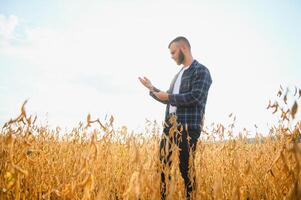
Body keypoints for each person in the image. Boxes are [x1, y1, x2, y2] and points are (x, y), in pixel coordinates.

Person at [139, 36, 212, 200]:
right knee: (163, 167)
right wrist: (151, 88)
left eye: (173, 52)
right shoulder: (178, 75)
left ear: (183, 48)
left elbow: (196, 97)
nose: (171, 56)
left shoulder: (201, 71)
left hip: (187, 128)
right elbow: (168, 98)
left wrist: (169, 97)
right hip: (169, 127)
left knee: (186, 169)